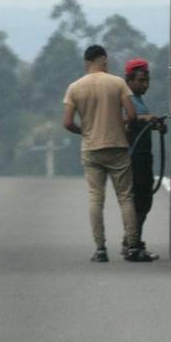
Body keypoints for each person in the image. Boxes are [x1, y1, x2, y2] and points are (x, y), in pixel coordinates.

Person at [62, 45, 155, 263]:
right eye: (106, 61)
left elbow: (67, 123)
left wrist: (84, 132)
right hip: (117, 148)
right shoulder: (117, 83)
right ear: (103, 60)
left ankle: (101, 249)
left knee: (96, 198)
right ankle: (132, 246)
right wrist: (121, 127)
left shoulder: (74, 88)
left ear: (86, 62)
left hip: (91, 148)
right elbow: (131, 114)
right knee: (125, 198)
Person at [123, 58, 166, 259]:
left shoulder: (139, 100)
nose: (145, 84)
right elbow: (123, 121)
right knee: (139, 200)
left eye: (147, 80)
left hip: (144, 155)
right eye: (141, 80)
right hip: (133, 156)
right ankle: (132, 243)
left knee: (145, 200)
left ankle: (133, 240)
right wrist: (144, 119)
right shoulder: (126, 98)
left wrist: (156, 125)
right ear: (129, 81)